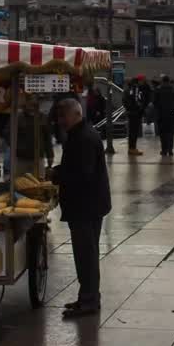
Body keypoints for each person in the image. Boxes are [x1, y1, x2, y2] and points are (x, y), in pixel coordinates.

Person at [52, 98, 111, 318]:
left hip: (86, 206)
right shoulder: (80, 133)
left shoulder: (83, 138)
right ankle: (87, 297)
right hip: (89, 205)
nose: (60, 121)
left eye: (63, 116)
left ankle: (88, 301)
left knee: (86, 255)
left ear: (76, 114)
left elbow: (82, 174)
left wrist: (58, 175)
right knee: (87, 254)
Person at [154, 75, 174, 157]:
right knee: (170, 133)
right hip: (171, 114)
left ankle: (164, 150)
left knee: (162, 133)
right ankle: (170, 150)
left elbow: (155, 102)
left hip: (161, 114)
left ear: (162, 81)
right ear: (169, 80)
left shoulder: (158, 89)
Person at [122, 80, 146, 156]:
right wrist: (139, 108)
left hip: (130, 112)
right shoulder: (135, 90)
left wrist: (128, 108)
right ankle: (133, 148)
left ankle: (131, 148)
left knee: (132, 131)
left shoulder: (126, 91)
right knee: (134, 132)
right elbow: (137, 100)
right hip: (135, 113)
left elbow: (124, 101)